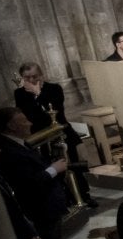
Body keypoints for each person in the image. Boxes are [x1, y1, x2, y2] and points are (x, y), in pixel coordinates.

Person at [0, 106, 74, 239]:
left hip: (49, 203)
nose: (29, 123)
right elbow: (27, 184)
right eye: (24, 120)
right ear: (11, 126)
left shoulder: (19, 143)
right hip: (39, 206)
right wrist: (53, 169)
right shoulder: (8, 151)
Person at [14, 62, 97, 208]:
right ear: (22, 78)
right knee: (49, 167)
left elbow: (56, 112)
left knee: (72, 165)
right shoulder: (20, 94)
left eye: (34, 76)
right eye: (27, 77)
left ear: (41, 75)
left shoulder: (54, 89)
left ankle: (84, 195)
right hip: (40, 136)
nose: (31, 80)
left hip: (62, 131)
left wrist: (38, 94)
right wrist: (34, 97)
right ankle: (63, 198)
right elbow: (30, 116)